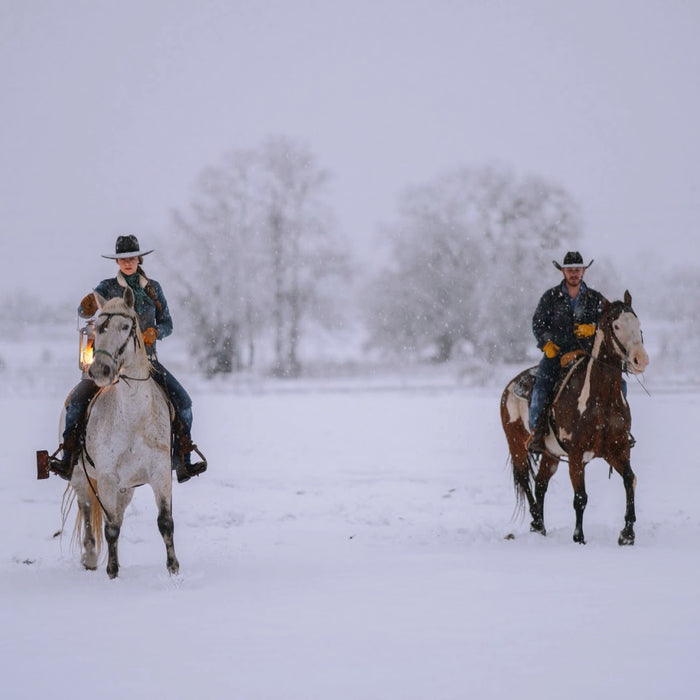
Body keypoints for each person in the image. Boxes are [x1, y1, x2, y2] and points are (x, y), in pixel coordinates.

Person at [46, 235, 207, 483]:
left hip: (147, 362)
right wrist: (86, 306)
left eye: (131, 258)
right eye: (122, 259)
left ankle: (181, 460)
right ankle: (68, 459)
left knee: (184, 403)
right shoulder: (107, 287)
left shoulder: (153, 289)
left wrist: (155, 332)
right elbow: (83, 312)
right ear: (118, 262)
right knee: (76, 403)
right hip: (110, 361)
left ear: (138, 258)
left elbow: (168, 324)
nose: (127, 263)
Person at [527, 251, 605, 453]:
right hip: (557, 355)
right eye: (570, 270)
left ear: (584, 271)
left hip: (587, 354)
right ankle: (536, 432)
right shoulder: (550, 297)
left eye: (577, 270)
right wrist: (546, 344)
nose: (574, 274)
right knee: (541, 386)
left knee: (617, 382)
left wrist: (594, 329)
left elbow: (608, 325)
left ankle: (615, 429)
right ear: (563, 271)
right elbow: (538, 324)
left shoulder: (595, 298)